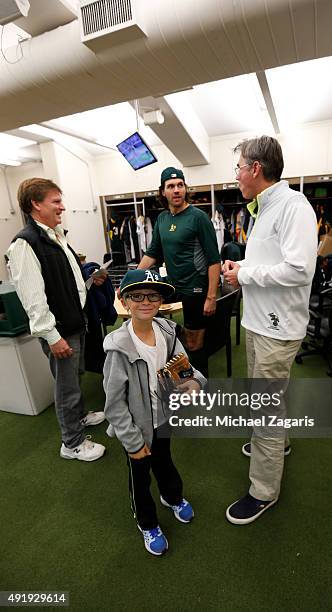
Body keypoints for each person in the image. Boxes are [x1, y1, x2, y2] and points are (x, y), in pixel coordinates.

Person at [223, 136, 317, 524]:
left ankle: (263, 491)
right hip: (259, 324)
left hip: (276, 329)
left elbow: (299, 269)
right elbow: (268, 261)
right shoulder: (265, 208)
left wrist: (246, 273)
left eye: (239, 168)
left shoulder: (294, 207)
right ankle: (280, 444)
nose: (237, 176)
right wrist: (241, 270)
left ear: (255, 169)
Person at [103, 269, 206, 556]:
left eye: (153, 295)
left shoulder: (167, 332)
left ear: (161, 301)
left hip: (163, 421)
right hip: (135, 431)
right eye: (137, 295)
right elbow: (113, 405)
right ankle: (147, 523)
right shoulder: (118, 350)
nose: (145, 301)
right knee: (140, 478)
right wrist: (133, 443)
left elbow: (183, 368)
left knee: (165, 462)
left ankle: (172, 496)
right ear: (124, 301)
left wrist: (193, 382)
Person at [6, 178, 105, 462]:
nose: (62, 207)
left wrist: (90, 282)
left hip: (75, 321)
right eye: (56, 201)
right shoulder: (25, 244)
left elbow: (64, 280)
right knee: (66, 386)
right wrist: (52, 336)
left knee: (74, 378)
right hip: (59, 329)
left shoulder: (56, 235)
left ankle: (81, 417)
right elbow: (33, 299)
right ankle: (71, 443)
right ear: (35, 204)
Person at [138, 167, 221, 376]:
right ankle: (171, 373)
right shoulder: (162, 220)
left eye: (180, 185)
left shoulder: (198, 217)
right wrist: (134, 278)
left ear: (185, 189)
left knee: (194, 342)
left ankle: (201, 385)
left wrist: (211, 296)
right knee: (156, 321)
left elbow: (214, 260)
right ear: (163, 192)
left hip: (196, 289)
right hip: (172, 286)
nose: (176, 190)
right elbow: (153, 253)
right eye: (171, 186)